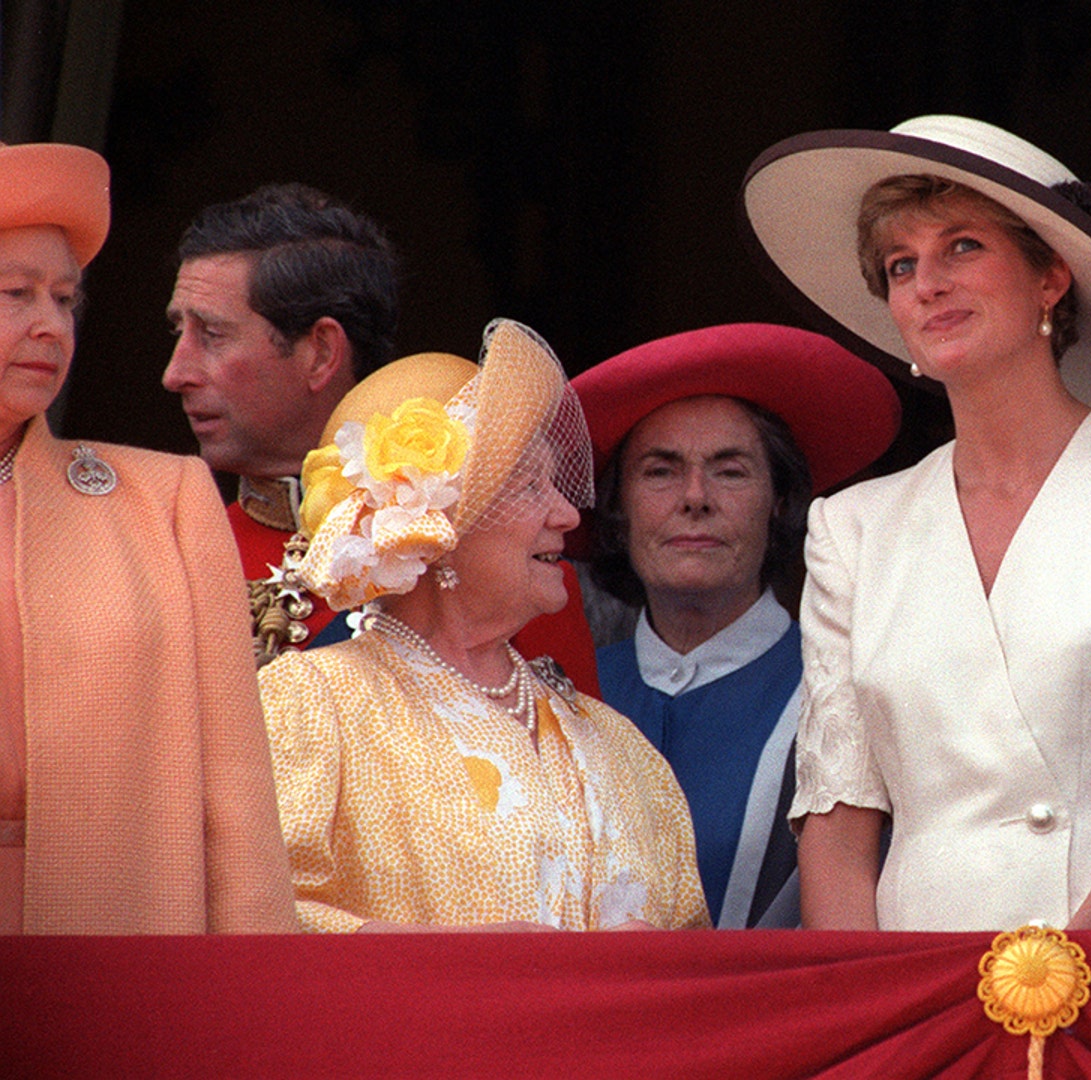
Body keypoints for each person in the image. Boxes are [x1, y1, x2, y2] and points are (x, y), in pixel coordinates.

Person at [743, 115, 1091, 931]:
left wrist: (1056, 982)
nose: (927, 284)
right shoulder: (852, 526)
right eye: (900, 265)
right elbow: (838, 826)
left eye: (962, 247)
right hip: (919, 995)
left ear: (1051, 278)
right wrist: (875, 1013)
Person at [259, 319, 708, 932]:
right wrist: (462, 960)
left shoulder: (617, 742)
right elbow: (254, 918)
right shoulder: (313, 702)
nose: (566, 513)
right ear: (436, 529)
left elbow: (693, 957)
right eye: (530, 487)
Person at [0, 141, 295, 933]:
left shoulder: (162, 500)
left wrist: (253, 1006)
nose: (48, 325)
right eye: (14, 294)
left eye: (65, 300)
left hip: (113, 958)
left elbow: (237, 810)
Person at [163, 184, 600, 688]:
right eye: (180, 333)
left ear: (322, 352)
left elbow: (554, 761)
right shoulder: (168, 554)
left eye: (212, 335)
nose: (176, 374)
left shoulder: (499, 568)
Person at [572, 323, 898, 928]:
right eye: (660, 471)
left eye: (730, 471)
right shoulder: (560, 693)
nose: (695, 497)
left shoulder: (845, 689)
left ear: (781, 501)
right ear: (616, 507)